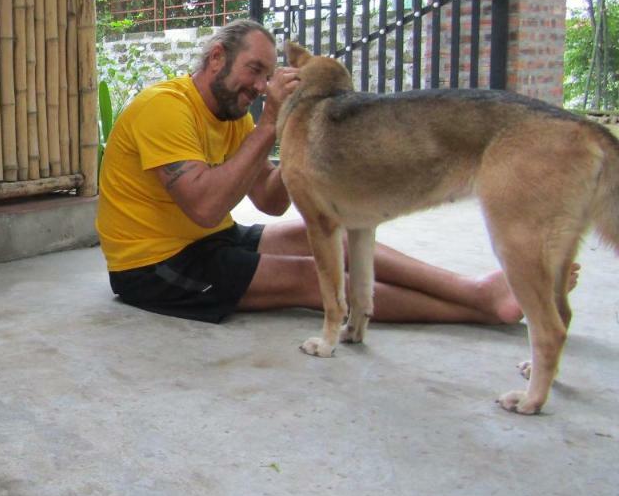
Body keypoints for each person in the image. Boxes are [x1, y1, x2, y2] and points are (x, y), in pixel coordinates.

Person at [96, 18, 531, 326]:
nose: (262, 86)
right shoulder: (165, 108)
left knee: (325, 235)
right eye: (254, 70)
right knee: (313, 278)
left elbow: (271, 199)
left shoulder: (233, 117)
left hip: (208, 240)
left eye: (268, 76)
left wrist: (298, 134)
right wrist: (269, 125)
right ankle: (480, 306)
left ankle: (472, 288)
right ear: (216, 58)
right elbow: (206, 207)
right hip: (154, 266)